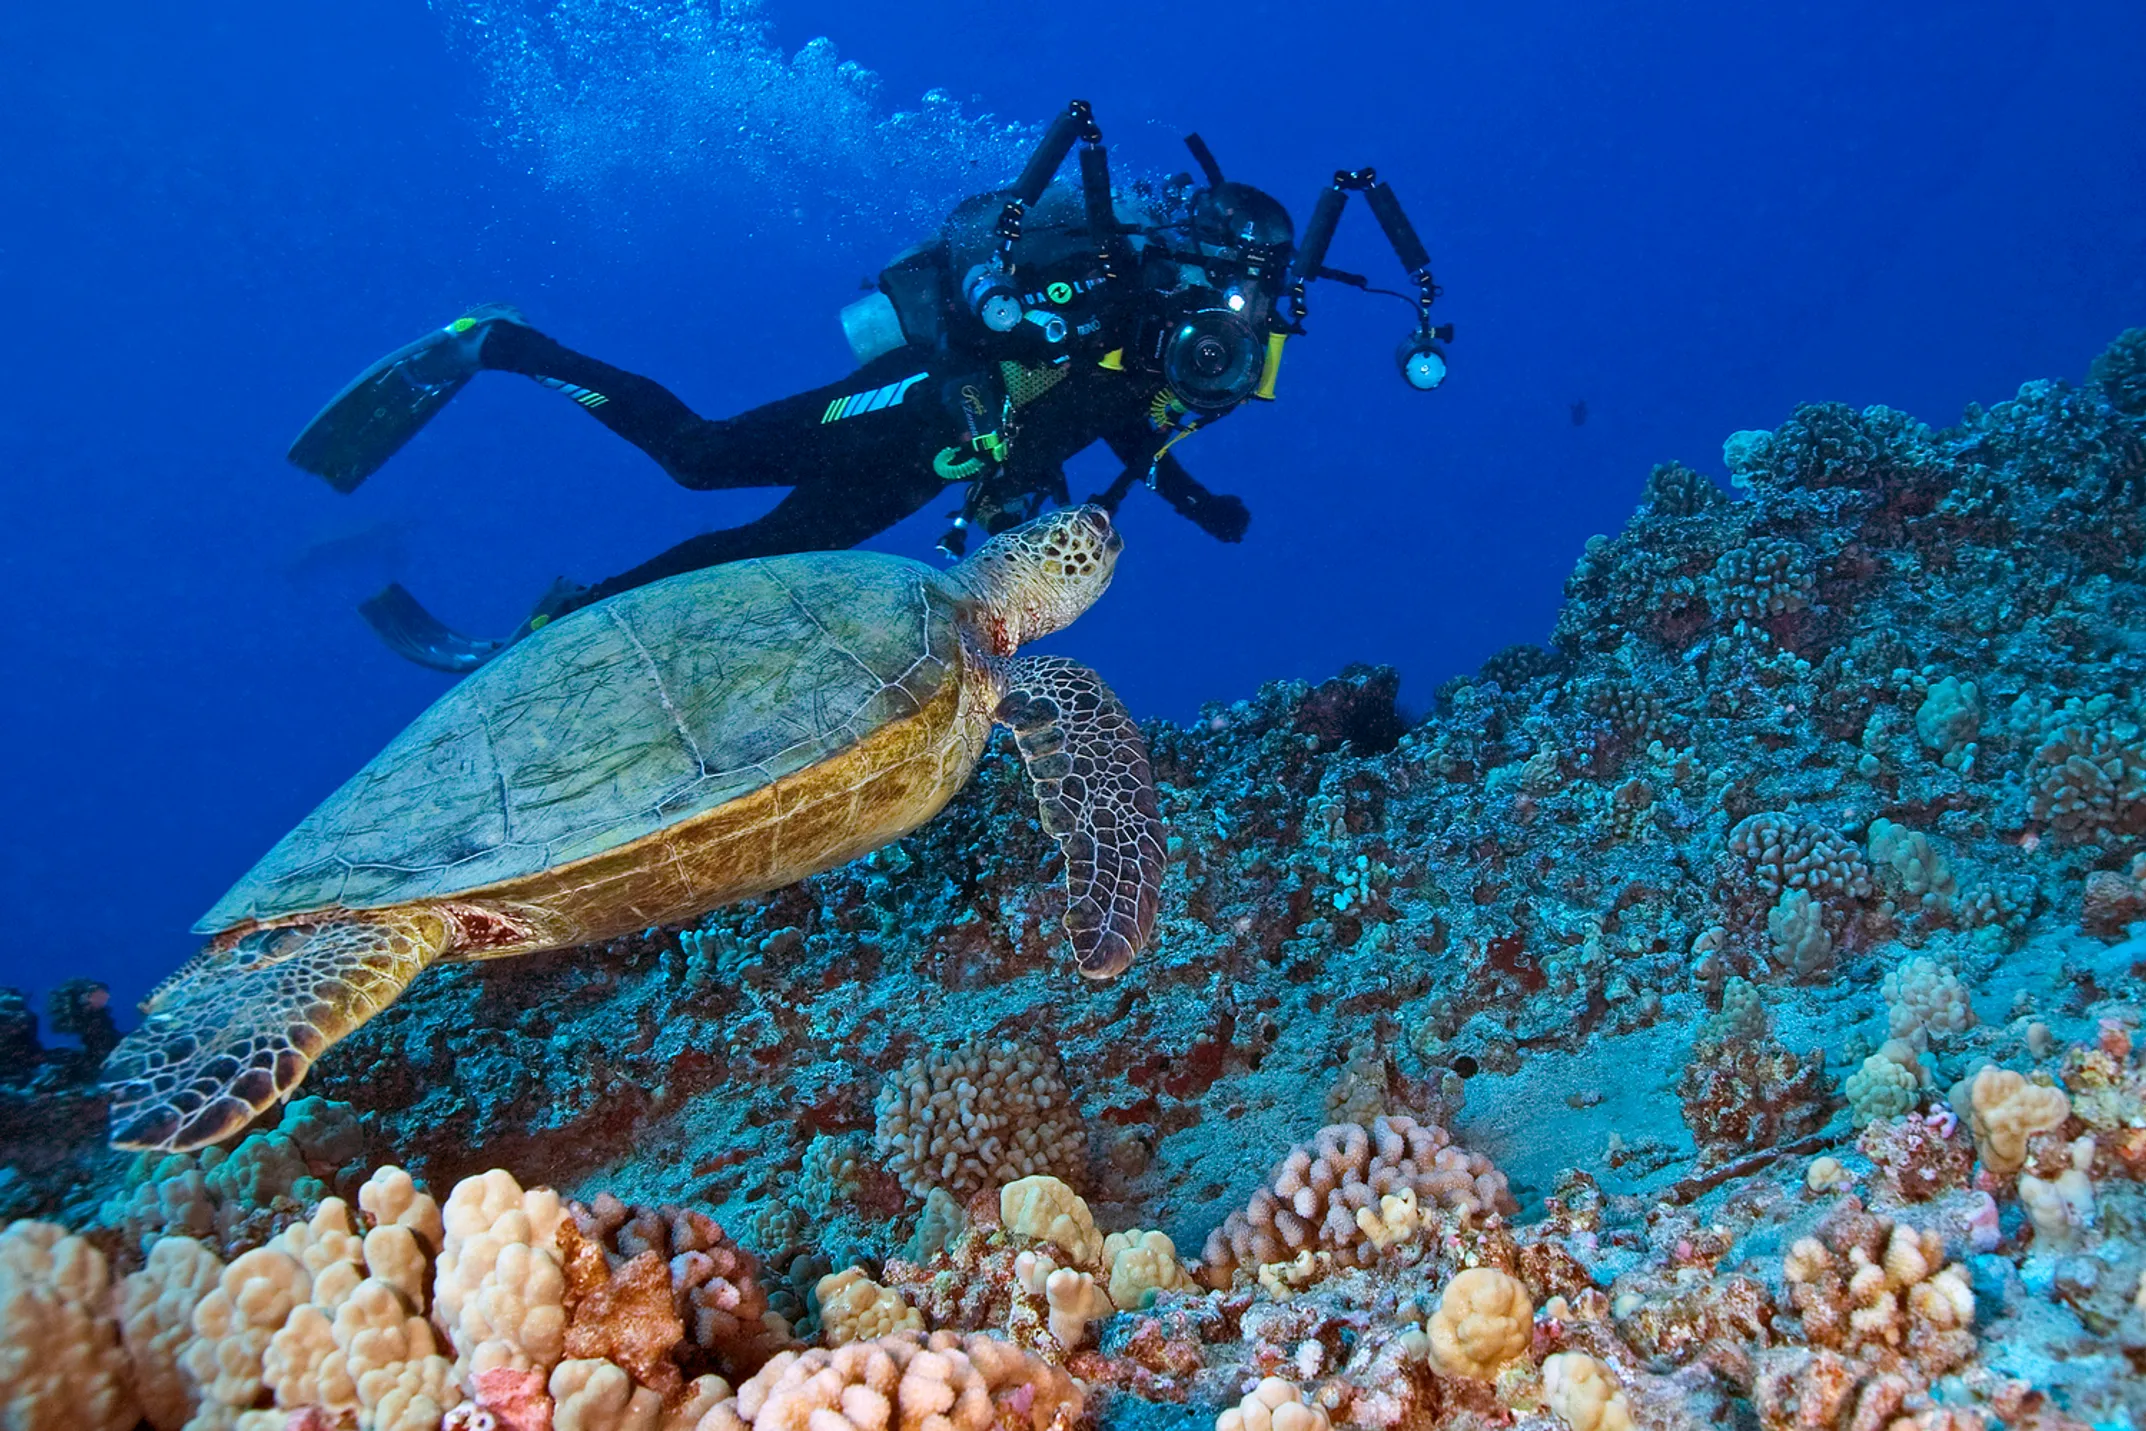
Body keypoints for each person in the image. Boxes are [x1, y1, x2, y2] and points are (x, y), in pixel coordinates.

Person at [292, 102, 1450, 671]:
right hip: (920, 406)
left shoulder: (1201, 358)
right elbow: (979, 282)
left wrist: (1192, 499)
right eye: (1222, 297)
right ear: (1191, 259)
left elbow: (1131, 433)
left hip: (952, 469)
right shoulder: (1105, 271)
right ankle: (507, 343)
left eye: (1250, 306)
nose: (1227, 330)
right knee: (700, 458)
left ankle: (563, 623)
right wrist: (973, 384)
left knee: (766, 556)